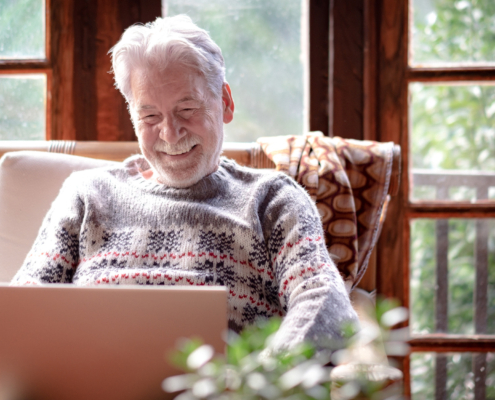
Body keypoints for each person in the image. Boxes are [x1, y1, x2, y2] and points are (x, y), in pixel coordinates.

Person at [11, 15, 358, 351]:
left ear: (224, 102)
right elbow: (22, 309)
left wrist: (259, 379)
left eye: (186, 109)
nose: (170, 133)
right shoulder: (86, 195)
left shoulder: (271, 200)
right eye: (150, 116)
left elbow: (325, 302)